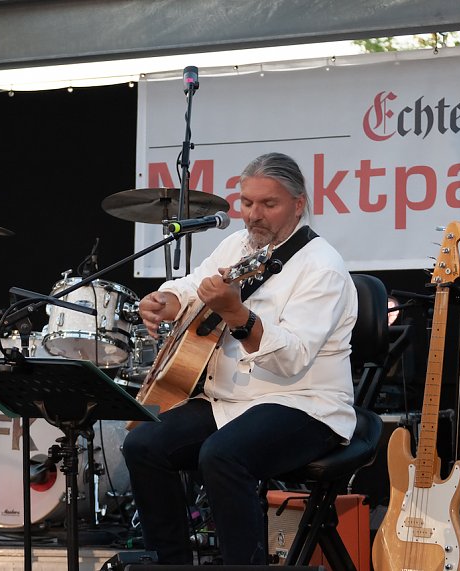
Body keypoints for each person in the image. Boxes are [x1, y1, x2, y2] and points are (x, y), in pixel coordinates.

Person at [123, 153, 358, 565]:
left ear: (298, 204)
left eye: (269, 204)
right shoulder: (238, 245)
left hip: (305, 404)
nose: (253, 215)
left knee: (223, 455)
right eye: (247, 203)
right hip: (230, 402)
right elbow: (197, 284)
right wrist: (167, 299)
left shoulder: (323, 268)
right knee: (143, 443)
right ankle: (171, 562)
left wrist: (237, 315)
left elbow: (293, 359)